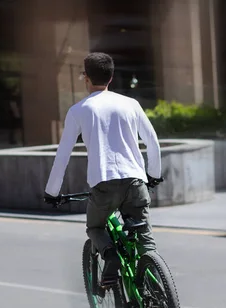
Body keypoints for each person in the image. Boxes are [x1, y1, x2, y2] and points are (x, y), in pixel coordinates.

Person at [43, 52, 163, 287]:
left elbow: (63, 154)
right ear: (112, 77)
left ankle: (109, 255)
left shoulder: (79, 110)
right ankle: (157, 297)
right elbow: (153, 142)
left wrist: (52, 192)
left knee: (95, 227)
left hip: (104, 184)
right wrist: (154, 176)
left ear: (86, 78)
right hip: (136, 182)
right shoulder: (131, 104)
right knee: (145, 241)